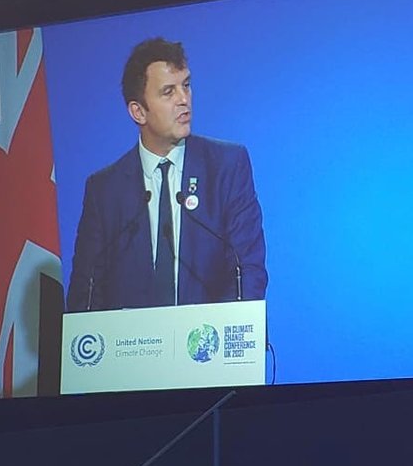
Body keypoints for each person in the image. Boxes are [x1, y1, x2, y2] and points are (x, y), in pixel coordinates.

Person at [66, 37, 267, 312]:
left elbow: (248, 271)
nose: (184, 99)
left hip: (208, 336)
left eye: (186, 85)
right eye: (168, 92)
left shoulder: (227, 167)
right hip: (132, 339)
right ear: (139, 112)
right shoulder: (104, 190)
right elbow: (86, 292)